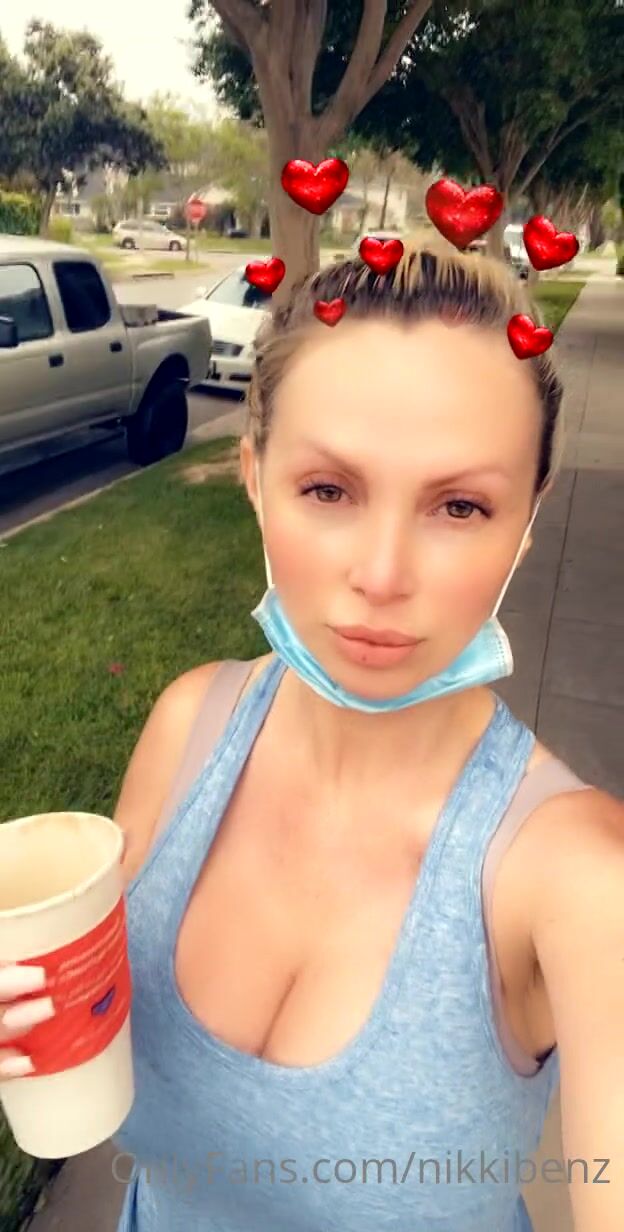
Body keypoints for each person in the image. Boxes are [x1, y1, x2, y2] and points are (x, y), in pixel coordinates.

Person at [1, 243, 622, 1230]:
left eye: (460, 506)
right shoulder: (187, 727)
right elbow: (85, 1025)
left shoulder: (579, 877)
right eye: (329, 490)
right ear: (254, 477)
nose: (381, 573)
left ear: (529, 518)